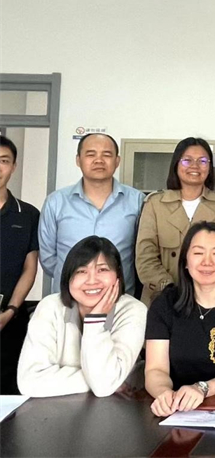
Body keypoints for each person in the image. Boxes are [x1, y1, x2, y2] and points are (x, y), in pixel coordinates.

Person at [145, 222, 215, 417]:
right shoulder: (164, 304)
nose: (207, 261)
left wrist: (202, 388)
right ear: (186, 261)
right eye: (198, 253)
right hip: (177, 408)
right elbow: (155, 369)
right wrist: (164, 394)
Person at [17, 236, 147, 397]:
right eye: (81, 271)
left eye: (102, 270)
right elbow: (29, 382)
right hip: (56, 409)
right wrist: (107, 379)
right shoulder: (49, 307)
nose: (92, 281)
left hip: (117, 407)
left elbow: (103, 386)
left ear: (118, 275)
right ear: (68, 277)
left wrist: (96, 320)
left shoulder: (133, 310)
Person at [39, 133, 144, 295]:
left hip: (120, 298)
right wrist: (75, 280)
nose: (99, 160)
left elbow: (143, 253)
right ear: (78, 160)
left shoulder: (137, 201)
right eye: (90, 154)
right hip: (69, 299)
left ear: (117, 161)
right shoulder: (56, 202)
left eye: (106, 154)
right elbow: (48, 257)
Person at [136, 137, 215, 306]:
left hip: (207, 298)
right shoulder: (155, 203)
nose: (194, 166)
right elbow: (145, 255)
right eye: (187, 160)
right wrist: (169, 288)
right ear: (176, 164)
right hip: (161, 296)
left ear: (210, 167)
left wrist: (200, 291)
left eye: (202, 161)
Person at [0, 135, 40, 394]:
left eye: (4, 161)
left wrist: (12, 309)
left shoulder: (28, 214)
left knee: (9, 391)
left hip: (10, 319)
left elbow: (30, 267)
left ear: (14, 166)